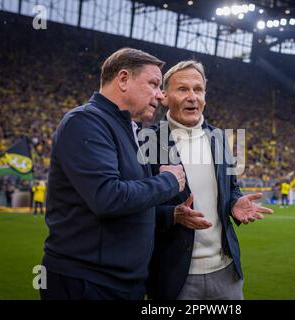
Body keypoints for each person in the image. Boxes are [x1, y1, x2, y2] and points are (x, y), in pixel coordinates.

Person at [41, 48, 186, 300]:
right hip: (86, 283)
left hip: (123, 283)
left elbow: (130, 206)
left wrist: (170, 215)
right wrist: (169, 181)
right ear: (123, 79)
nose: (160, 95)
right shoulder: (85, 122)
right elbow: (108, 198)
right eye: (153, 84)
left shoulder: (131, 128)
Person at [147, 61, 274, 300]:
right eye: (182, 89)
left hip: (226, 272)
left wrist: (234, 202)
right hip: (174, 276)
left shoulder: (219, 138)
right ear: (164, 95)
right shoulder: (149, 142)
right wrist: (172, 214)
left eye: (198, 89)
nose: (192, 96)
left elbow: (231, 187)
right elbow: (136, 206)